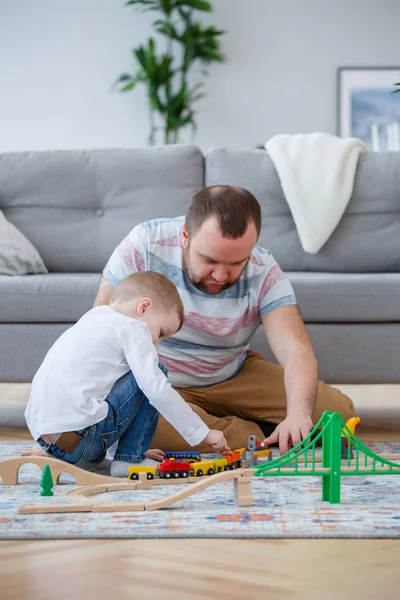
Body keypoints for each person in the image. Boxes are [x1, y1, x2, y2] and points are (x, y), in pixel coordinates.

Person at [89, 185, 355, 455]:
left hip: (231, 373)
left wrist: (298, 414)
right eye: (209, 260)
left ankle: (220, 426)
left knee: (337, 416)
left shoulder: (264, 269)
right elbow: (98, 329)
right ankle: (257, 434)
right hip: (158, 381)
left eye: (236, 263)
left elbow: (295, 348)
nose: (220, 275)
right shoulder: (144, 245)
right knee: (135, 427)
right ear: (185, 236)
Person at [24, 271, 229, 477]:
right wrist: (202, 433)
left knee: (123, 380)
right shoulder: (132, 327)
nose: (155, 345)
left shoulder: (93, 318)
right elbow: (156, 389)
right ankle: (130, 459)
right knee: (155, 373)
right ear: (144, 307)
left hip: (51, 439)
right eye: (160, 333)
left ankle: (112, 455)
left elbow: (102, 398)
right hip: (82, 439)